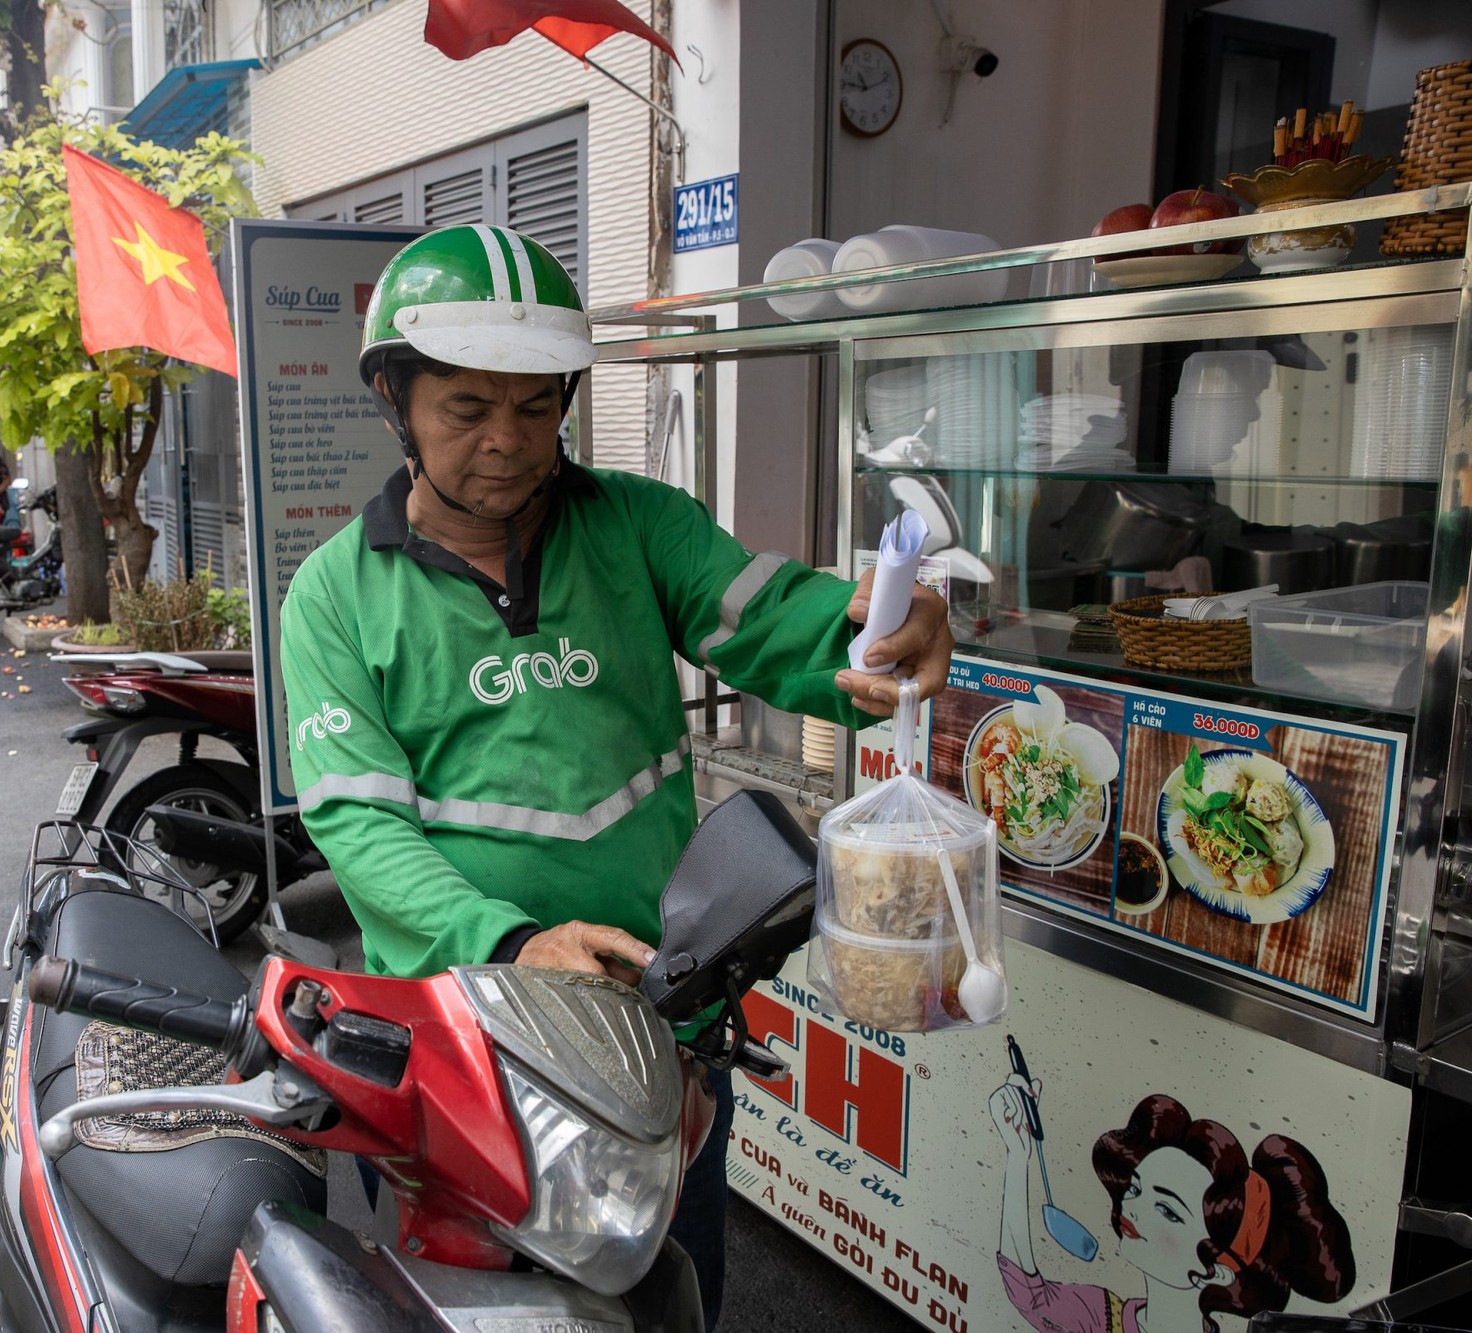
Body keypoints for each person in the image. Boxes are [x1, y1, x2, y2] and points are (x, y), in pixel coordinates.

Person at [277, 225, 954, 1330]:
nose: (506, 439)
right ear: (392, 399)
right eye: (466, 408)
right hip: (468, 1045)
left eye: (536, 406)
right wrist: (511, 943)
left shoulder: (637, 525)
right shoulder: (336, 595)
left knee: (666, 1297)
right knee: (481, 1310)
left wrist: (878, 629)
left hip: (658, 1025)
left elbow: (769, 614)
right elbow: (359, 825)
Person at [990, 1083, 1356, 1333]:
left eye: (1168, 1210)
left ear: (1214, 1271)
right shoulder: (1103, 1318)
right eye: (1136, 1189)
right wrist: (1017, 1155)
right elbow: (1029, 1294)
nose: (1132, 1208)